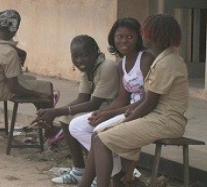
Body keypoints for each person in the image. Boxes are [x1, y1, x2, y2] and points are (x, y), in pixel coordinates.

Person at [79, 15, 189, 187]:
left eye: (144, 32)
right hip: (157, 117)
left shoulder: (166, 63)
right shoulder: (163, 59)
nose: (141, 35)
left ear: (153, 36)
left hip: (165, 121)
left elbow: (150, 102)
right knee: (99, 136)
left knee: (102, 140)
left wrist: (126, 121)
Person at [58, 18, 153, 184]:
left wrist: (108, 113)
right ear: (113, 39)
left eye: (129, 37)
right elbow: (122, 99)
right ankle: (114, 170)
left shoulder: (144, 59)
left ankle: (105, 174)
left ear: (138, 38)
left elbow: (148, 99)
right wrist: (103, 112)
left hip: (142, 110)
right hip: (127, 109)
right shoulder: (123, 63)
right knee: (76, 125)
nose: (124, 41)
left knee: (99, 134)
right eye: (119, 37)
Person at [32, 35, 120, 184]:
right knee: (65, 119)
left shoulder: (107, 67)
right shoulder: (88, 70)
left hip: (112, 111)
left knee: (77, 123)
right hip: (99, 110)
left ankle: (102, 172)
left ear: (95, 51)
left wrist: (55, 111)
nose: (79, 60)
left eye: (84, 55)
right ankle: (79, 170)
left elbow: (93, 104)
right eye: (75, 56)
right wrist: (54, 112)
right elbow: (82, 98)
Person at [0, 9, 53, 151]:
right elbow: (14, 87)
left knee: (31, 81)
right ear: (15, 29)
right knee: (46, 87)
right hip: (0, 91)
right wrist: (38, 94)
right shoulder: (9, 53)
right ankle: (50, 134)